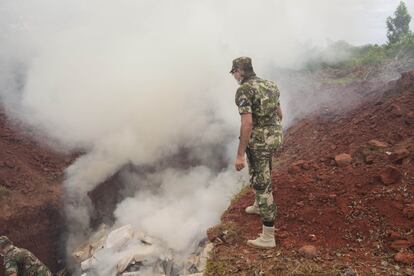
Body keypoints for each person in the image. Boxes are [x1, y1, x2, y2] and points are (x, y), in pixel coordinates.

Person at [231, 57, 283, 249]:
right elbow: (280, 115)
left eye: (234, 72)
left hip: (259, 142)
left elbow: (247, 123)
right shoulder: (270, 85)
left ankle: (268, 236)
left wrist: (239, 155)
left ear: (239, 71)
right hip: (274, 138)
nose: (234, 76)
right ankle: (259, 205)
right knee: (261, 169)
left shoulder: (244, 90)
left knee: (262, 184)